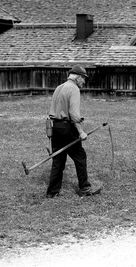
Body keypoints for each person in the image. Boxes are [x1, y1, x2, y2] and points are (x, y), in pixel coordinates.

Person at [46, 65, 101, 198]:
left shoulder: (59, 87)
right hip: (67, 128)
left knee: (58, 160)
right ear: (77, 77)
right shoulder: (74, 89)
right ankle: (84, 188)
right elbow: (74, 114)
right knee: (80, 157)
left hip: (55, 127)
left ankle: (52, 192)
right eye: (83, 78)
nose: (84, 82)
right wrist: (81, 132)